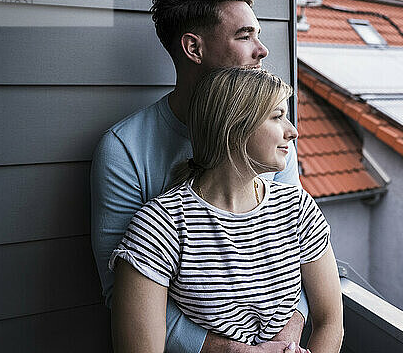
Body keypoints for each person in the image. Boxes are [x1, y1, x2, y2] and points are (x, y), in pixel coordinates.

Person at [91, 0, 309, 352]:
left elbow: (295, 251)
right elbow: (122, 292)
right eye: (244, 36)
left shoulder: (270, 141)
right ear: (194, 47)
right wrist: (238, 352)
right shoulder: (123, 150)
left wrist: (285, 342)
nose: (263, 51)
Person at [109, 67, 343, 352]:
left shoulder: (298, 208)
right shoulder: (159, 226)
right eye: (277, 117)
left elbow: (331, 321)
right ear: (234, 127)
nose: (292, 131)